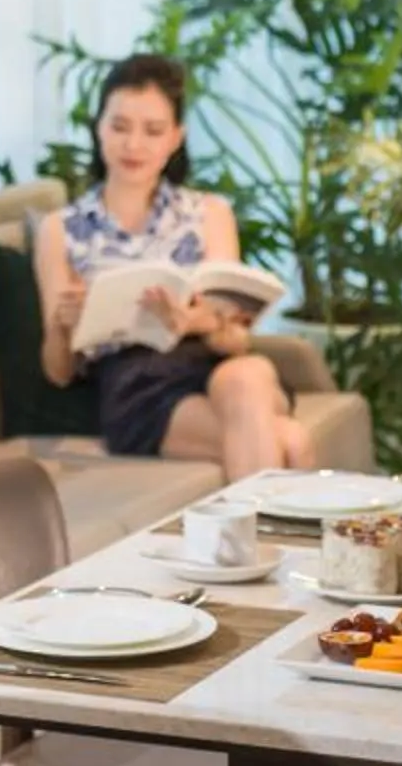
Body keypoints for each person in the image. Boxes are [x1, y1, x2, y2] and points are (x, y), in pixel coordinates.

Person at [33, 52, 309, 480]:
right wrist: (62, 326)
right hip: (138, 386)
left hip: (210, 364)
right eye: (120, 126)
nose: (133, 145)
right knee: (289, 440)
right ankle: (286, 545)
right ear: (98, 128)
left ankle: (251, 548)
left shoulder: (209, 213)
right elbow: (57, 372)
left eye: (153, 130)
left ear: (176, 136)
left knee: (247, 372)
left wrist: (194, 322)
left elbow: (233, 342)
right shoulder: (61, 230)